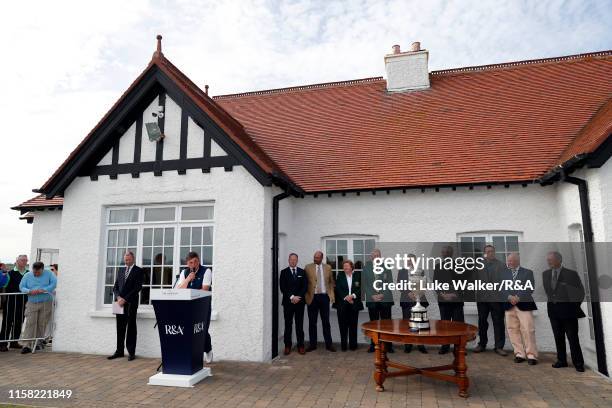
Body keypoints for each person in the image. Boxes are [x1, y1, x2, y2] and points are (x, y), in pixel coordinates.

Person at [543, 251, 585, 372]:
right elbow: (549, 293)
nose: (548, 261)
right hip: (553, 312)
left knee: (573, 338)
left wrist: (573, 307)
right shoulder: (545, 274)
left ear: (559, 260)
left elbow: (580, 293)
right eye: (548, 260)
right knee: (558, 337)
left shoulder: (571, 274)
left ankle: (578, 363)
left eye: (550, 259)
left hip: (569, 313)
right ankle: (562, 361)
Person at [177, 251, 213, 363]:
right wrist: (188, 279)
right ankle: (194, 354)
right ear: (187, 263)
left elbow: (205, 289)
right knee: (190, 330)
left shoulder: (206, 271)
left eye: (195, 262)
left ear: (198, 261)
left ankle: (208, 349)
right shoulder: (184, 272)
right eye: (190, 263)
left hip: (203, 305)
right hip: (188, 306)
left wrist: (190, 293)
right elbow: (179, 290)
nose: (193, 264)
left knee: (202, 328)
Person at [503, 252, 538, 365]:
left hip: (524, 305)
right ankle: (519, 354)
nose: (509, 263)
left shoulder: (528, 272)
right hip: (509, 305)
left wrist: (518, 297)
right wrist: (509, 297)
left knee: (528, 330)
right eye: (508, 261)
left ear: (517, 260)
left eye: (511, 260)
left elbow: (530, 287)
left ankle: (531, 355)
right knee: (512, 330)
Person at [108, 251, 143, 361]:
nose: (126, 261)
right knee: (120, 327)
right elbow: (115, 287)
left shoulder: (138, 271)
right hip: (118, 303)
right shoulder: (121, 270)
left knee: (131, 327)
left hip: (131, 303)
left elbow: (137, 288)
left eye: (128, 259)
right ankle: (119, 351)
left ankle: (131, 352)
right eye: (125, 259)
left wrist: (125, 299)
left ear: (133, 259)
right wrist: (118, 298)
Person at [473, 245, 507, 356]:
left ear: (494, 252)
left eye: (492, 251)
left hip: (497, 298)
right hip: (482, 298)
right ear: (485, 253)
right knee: (482, 322)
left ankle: (499, 347)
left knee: (498, 322)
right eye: (488, 251)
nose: (490, 253)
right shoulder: (478, 265)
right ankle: (482, 344)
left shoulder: (502, 265)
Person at [18, 261, 57, 354]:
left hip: (46, 302)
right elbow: (21, 286)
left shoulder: (49, 274)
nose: (36, 274)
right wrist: (29, 291)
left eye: (38, 272)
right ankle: (26, 345)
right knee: (30, 323)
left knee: (42, 323)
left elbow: (54, 283)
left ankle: (38, 343)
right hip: (32, 302)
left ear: (42, 269)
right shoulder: (27, 275)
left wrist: (44, 290)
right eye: (34, 272)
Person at [433, 245, 465, 354]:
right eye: (443, 252)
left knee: (458, 326)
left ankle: (459, 348)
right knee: (445, 325)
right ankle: (445, 346)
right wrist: (443, 295)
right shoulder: (438, 266)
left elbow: (463, 283)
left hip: (457, 301)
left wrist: (453, 294)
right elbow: (435, 283)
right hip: (443, 301)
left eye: (446, 252)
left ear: (451, 253)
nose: (444, 254)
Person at [363, 248, 395, 353]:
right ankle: (374, 345)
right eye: (374, 256)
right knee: (373, 324)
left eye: (378, 256)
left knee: (387, 324)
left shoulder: (386, 266)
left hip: (385, 299)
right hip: (372, 300)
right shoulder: (366, 267)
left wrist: (383, 294)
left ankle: (388, 346)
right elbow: (365, 284)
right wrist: (372, 295)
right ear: (371, 257)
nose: (376, 257)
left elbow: (390, 283)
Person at [304, 250, 336, 352]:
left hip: (324, 297)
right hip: (312, 298)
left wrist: (331, 294)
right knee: (312, 322)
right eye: (314, 257)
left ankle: (329, 344)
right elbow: (304, 283)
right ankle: (312, 344)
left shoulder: (328, 268)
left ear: (322, 258)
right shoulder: (308, 267)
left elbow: (331, 282)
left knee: (326, 322)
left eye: (317, 257)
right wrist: (306, 295)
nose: (315, 259)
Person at [397, 254, 428, 353]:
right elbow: (399, 284)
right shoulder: (402, 271)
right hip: (406, 300)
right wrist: (408, 292)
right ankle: (408, 344)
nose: (409, 262)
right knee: (407, 323)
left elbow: (424, 284)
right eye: (408, 260)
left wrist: (417, 294)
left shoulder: (421, 271)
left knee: (420, 323)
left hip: (419, 300)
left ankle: (420, 344)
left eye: (411, 260)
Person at [279, 253, 307, 355]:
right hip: (288, 303)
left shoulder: (302, 272)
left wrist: (298, 297)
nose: (293, 261)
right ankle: (287, 346)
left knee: (299, 325)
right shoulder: (283, 272)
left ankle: (301, 346)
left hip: (299, 303)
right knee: (288, 325)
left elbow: (304, 287)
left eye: (295, 260)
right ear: (288, 260)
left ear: (297, 260)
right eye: (291, 259)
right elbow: (283, 287)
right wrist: (292, 297)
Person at [0, 255, 29, 352]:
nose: (24, 262)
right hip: (10, 301)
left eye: (26, 260)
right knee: (7, 322)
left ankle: (14, 342)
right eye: (22, 260)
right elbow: (4, 285)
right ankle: (2, 344)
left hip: (23, 301)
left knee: (19, 322)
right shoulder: (9, 273)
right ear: (17, 261)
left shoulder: (28, 273)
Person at [334, 260, 363, 351]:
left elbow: (361, 288)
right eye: (344, 266)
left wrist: (353, 296)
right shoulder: (340, 275)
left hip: (354, 304)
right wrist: (347, 297)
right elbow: (338, 288)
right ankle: (344, 346)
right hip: (342, 304)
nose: (345, 268)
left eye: (347, 266)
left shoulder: (357, 276)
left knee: (353, 326)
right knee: (343, 326)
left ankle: (353, 346)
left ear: (351, 267)